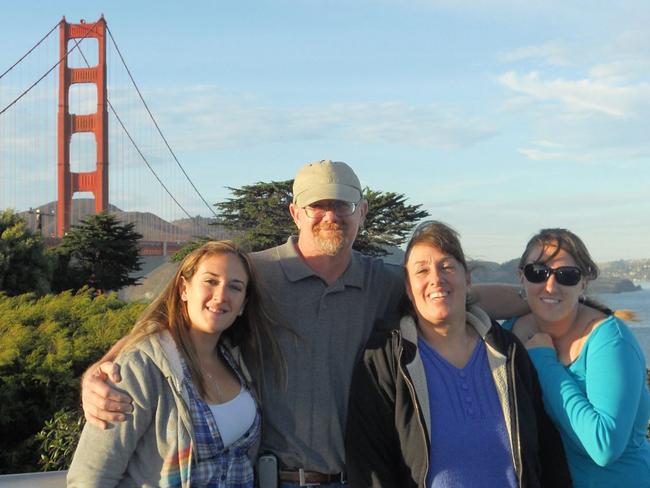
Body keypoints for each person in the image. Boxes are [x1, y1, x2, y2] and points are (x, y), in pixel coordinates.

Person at [80, 161, 525, 487]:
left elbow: (458, 295)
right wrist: (101, 369)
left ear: (362, 213)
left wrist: (552, 301)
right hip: (278, 480)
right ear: (295, 213)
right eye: (317, 205)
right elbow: (175, 317)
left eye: (343, 205)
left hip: (360, 479)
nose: (330, 215)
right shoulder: (254, 274)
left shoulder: (383, 281)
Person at [345, 221, 571, 487]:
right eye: (422, 270)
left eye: (447, 266)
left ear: (468, 278)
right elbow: (370, 468)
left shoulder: (507, 352)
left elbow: (548, 450)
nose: (436, 279)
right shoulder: (384, 362)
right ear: (408, 287)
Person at [68, 240, 282, 487]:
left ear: (243, 305)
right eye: (210, 281)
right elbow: (91, 476)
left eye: (235, 287)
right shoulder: (140, 367)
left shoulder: (237, 360)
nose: (221, 295)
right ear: (184, 288)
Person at [502, 228, 650, 488]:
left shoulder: (608, 340)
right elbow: (464, 299)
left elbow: (604, 445)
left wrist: (544, 361)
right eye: (537, 272)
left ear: (583, 283)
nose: (551, 285)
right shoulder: (512, 331)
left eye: (567, 276)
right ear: (521, 277)